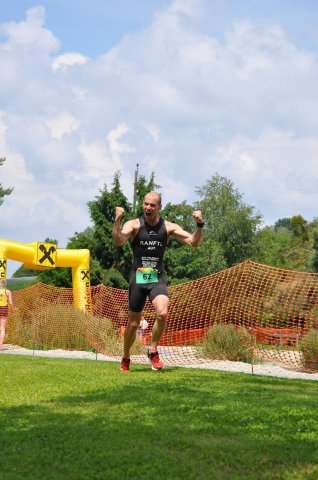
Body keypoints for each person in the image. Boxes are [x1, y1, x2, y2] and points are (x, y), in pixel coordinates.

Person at [113, 191, 204, 372]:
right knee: (133, 323)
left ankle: (153, 351)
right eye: (145, 204)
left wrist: (200, 224)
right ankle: (125, 357)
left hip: (156, 276)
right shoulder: (134, 224)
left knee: (162, 313)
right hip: (138, 277)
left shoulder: (168, 227)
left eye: (152, 205)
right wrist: (117, 221)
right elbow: (118, 241)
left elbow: (194, 242)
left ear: (159, 207)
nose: (148, 207)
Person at [0, 279, 13, 350]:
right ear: (5, 284)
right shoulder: (8, 292)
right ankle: (0, 346)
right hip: (3, 310)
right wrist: (12, 309)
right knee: (2, 328)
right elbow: (10, 303)